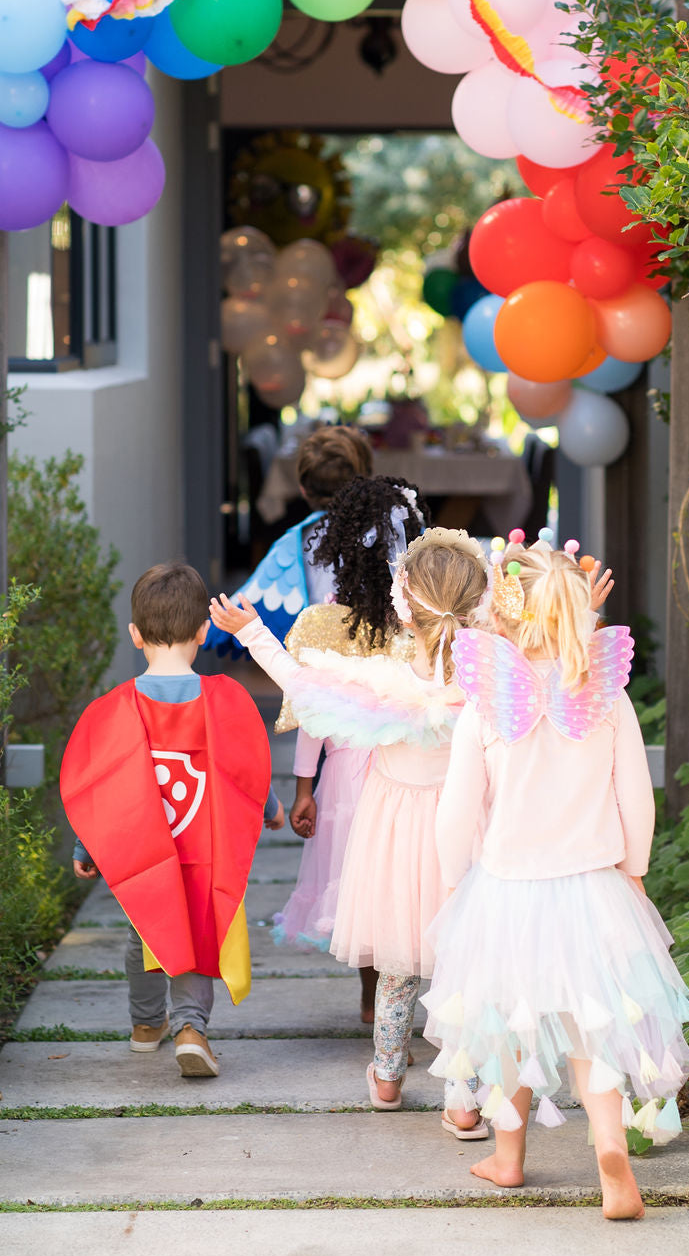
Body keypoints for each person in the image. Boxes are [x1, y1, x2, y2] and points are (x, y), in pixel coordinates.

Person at [423, 536, 689, 1219]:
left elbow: (457, 809)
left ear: (506, 617)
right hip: (591, 887)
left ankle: (508, 1157)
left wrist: (454, 879)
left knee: (510, 1029)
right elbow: (637, 794)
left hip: (507, 889)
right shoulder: (604, 696)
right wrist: (633, 869)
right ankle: (611, 1155)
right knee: (591, 1031)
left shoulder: (486, 704)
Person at [208, 528, 490, 1136]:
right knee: (464, 967)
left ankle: (387, 1078)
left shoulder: (383, 683)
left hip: (393, 831)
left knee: (396, 966)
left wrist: (251, 630)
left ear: (404, 603)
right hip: (464, 831)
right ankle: (464, 1100)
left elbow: (303, 684)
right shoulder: (486, 683)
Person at [62, 562, 273, 1079]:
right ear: (204, 631)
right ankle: (191, 1028)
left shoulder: (114, 709)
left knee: (146, 927)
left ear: (135, 635)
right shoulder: (226, 698)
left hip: (143, 849)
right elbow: (248, 766)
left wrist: (85, 846)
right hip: (207, 843)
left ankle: (144, 1025)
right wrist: (269, 810)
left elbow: (100, 787)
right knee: (200, 929)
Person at [272, 474, 428, 1025]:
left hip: (342, 779)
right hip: (408, 772)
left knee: (357, 883)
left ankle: (374, 998)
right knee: (406, 880)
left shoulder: (323, 625)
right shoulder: (425, 627)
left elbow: (313, 713)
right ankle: (399, 995)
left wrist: (303, 788)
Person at [203, 424, 373, 658]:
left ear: (302, 490)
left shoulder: (291, 544)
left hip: (314, 672)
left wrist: (200, 629)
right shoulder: (390, 533)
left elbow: (240, 605)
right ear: (366, 481)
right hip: (375, 668)